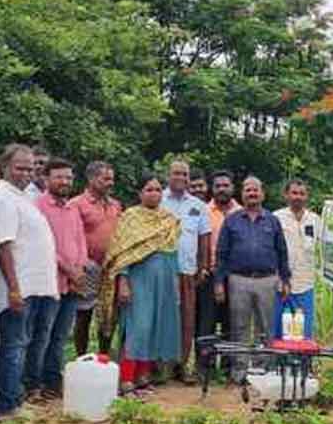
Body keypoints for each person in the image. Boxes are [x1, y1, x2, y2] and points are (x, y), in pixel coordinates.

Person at [0, 144, 59, 417]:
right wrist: (14, 289)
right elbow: (3, 245)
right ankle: (7, 405)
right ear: (5, 167)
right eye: (20, 167)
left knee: (22, 343)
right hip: (19, 289)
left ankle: (15, 398)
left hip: (34, 287)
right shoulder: (2, 197)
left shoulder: (22, 197)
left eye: (30, 168)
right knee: (13, 346)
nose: (26, 173)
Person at [98, 173, 182, 396]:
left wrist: (174, 283)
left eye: (157, 190)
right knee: (138, 328)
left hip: (163, 281)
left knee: (155, 326)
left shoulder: (168, 219)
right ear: (140, 193)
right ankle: (126, 378)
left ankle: (143, 377)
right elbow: (122, 255)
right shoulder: (130, 218)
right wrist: (123, 283)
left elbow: (173, 254)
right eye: (149, 189)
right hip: (138, 281)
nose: (154, 194)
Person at [215, 176, 291, 382]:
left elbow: (282, 251)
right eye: (248, 190)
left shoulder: (272, 220)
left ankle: (262, 369)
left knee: (265, 327)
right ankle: (239, 372)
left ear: (262, 194)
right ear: (242, 194)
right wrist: (219, 282)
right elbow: (221, 253)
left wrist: (285, 279)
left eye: (255, 190)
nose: (252, 193)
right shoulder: (231, 220)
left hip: (267, 280)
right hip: (238, 280)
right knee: (239, 327)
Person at [27, 158, 88, 398]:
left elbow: (80, 240)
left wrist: (80, 268)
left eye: (69, 177)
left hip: (74, 284)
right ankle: (33, 383)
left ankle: (53, 382)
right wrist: (68, 268)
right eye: (59, 177)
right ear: (46, 179)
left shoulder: (72, 207)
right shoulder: (38, 206)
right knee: (42, 334)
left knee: (61, 335)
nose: (64, 182)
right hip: (49, 282)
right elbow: (43, 246)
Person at [161, 157, 210, 384]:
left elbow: (204, 239)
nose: (180, 178)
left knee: (186, 320)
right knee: (162, 319)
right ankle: (161, 367)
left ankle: (182, 366)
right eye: (176, 173)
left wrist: (203, 267)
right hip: (162, 271)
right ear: (168, 175)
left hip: (188, 271)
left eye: (184, 174)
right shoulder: (157, 199)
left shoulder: (198, 206)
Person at [70, 160, 123, 357]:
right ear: (91, 179)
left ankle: (104, 357)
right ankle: (81, 358)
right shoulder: (76, 204)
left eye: (112, 179)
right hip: (88, 266)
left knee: (108, 316)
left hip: (110, 268)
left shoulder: (115, 205)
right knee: (84, 314)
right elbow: (72, 236)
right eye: (105, 178)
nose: (110, 182)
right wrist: (80, 266)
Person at [273, 178, 321, 339]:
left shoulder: (315, 220)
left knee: (303, 332)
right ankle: (278, 363)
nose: (297, 197)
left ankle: (303, 364)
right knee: (279, 330)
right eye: (294, 193)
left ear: (307, 196)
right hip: (280, 285)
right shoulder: (276, 218)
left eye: (302, 193)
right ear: (286, 195)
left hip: (305, 284)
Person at [200, 171, 241, 347]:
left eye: (226, 185)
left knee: (231, 323)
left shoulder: (242, 212)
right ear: (212, 189)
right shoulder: (203, 211)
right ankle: (204, 368)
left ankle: (227, 367)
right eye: (218, 186)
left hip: (235, 276)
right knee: (206, 323)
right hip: (210, 273)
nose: (222, 189)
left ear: (233, 188)